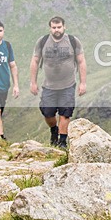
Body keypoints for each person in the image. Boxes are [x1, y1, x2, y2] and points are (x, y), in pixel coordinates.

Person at [29, 16, 87, 148]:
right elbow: (35, 61)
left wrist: (83, 83)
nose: (56, 30)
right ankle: (54, 129)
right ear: (50, 28)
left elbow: (81, 61)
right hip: (49, 86)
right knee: (47, 112)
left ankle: (62, 142)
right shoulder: (43, 41)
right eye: (54, 27)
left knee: (65, 113)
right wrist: (33, 82)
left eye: (59, 27)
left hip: (68, 85)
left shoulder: (73, 41)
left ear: (64, 27)